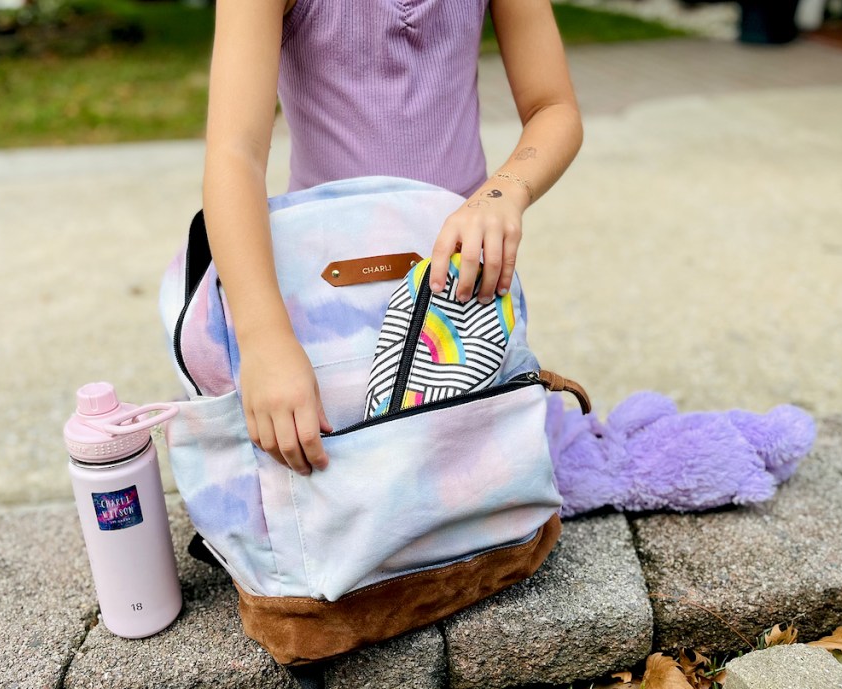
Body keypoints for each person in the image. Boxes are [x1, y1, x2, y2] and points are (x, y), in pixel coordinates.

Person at [202, 0, 583, 478]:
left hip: (460, 283)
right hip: (328, 297)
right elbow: (235, 151)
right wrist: (263, 339)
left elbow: (554, 106)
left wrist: (503, 193)